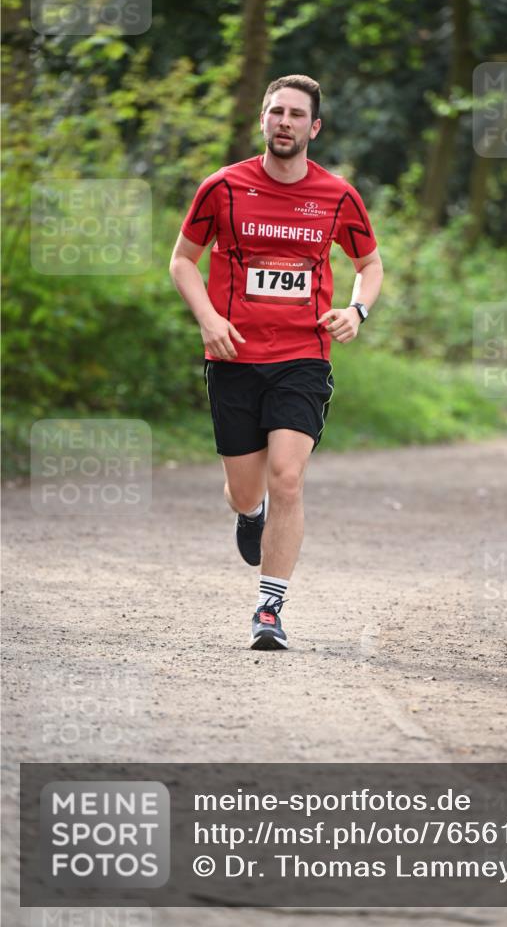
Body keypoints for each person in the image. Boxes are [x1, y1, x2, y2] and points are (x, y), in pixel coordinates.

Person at [169, 74, 383, 650]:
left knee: (288, 477)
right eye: (275, 112)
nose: (284, 122)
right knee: (246, 490)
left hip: (303, 356)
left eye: (295, 114)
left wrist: (357, 311)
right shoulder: (223, 188)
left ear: (313, 127)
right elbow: (183, 261)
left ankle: (270, 609)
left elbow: (370, 264)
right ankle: (250, 510)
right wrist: (209, 320)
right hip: (234, 355)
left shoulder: (338, 196)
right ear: (262, 121)